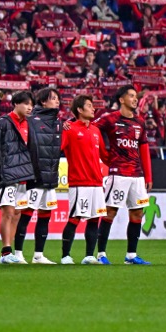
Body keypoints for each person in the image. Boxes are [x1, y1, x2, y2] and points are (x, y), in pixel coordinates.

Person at [94, 86, 153, 265]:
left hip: (136, 175)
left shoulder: (139, 122)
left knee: (137, 214)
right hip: (118, 173)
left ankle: (131, 256)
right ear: (121, 99)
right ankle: (101, 254)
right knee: (110, 212)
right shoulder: (109, 118)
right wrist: (105, 156)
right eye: (132, 96)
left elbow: (144, 148)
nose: (135, 99)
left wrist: (148, 176)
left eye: (136, 96)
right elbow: (92, 131)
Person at [60, 95, 108, 265]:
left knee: (95, 219)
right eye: (89, 105)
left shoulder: (95, 131)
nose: (93, 108)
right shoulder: (69, 128)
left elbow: (105, 155)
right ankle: (66, 255)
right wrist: (60, 125)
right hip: (79, 182)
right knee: (74, 218)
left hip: (96, 182)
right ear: (79, 110)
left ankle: (89, 256)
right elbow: (57, 148)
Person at [19, 87, 62, 265]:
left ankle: (38, 255)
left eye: (58, 98)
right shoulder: (31, 120)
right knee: (26, 215)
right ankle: (18, 252)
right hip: (34, 177)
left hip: (51, 176)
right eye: (53, 98)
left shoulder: (59, 122)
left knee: (46, 214)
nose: (57, 101)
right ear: (43, 101)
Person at [0, 91, 35, 264]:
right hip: (8, 173)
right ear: (15, 104)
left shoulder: (30, 124)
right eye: (26, 104)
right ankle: (5, 252)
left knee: (17, 213)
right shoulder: (3, 122)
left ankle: (11, 254)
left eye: (31, 105)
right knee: (8, 212)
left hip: (24, 173)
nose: (29, 107)